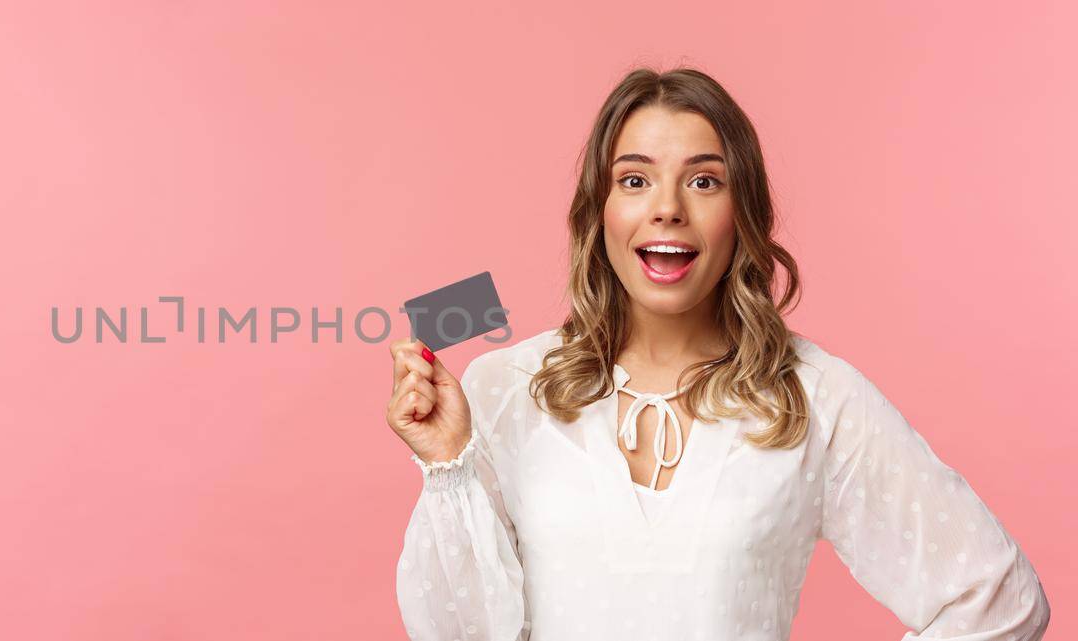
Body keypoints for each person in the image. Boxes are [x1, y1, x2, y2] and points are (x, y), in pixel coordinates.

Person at [385, 67, 1050, 640]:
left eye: (704, 182)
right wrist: (449, 463)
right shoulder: (506, 385)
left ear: (744, 213)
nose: (668, 208)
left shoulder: (817, 396)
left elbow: (999, 603)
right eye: (635, 179)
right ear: (600, 211)